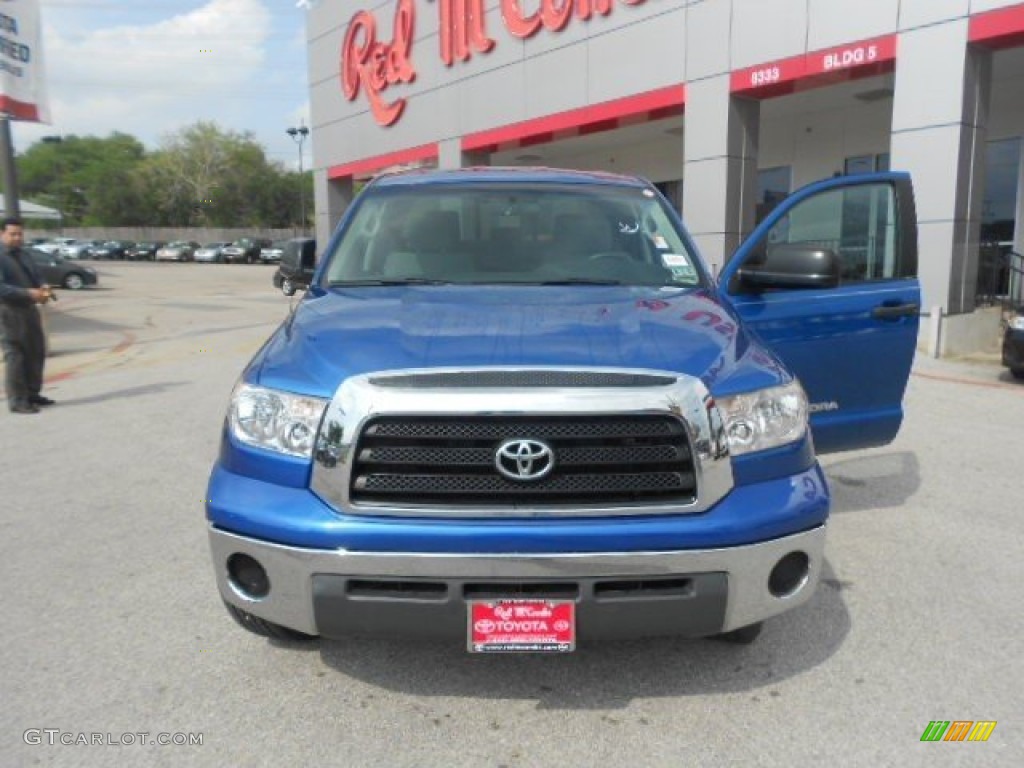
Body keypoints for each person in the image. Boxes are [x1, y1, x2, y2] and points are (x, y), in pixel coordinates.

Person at [0, 217, 56, 414]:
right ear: (2, 234)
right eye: (12, 234)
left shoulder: (24, 255)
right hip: (8, 310)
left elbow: (37, 275)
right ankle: (17, 400)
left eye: (20, 234)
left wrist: (43, 287)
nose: (17, 238)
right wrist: (28, 293)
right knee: (15, 355)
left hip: (29, 309)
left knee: (35, 350)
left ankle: (32, 393)